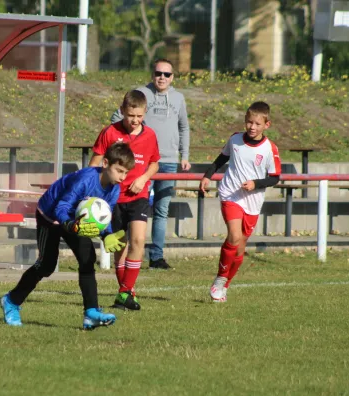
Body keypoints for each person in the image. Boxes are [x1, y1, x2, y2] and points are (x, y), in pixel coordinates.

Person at [0, 142, 135, 329]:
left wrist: (107, 235)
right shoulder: (85, 180)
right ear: (105, 163)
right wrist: (71, 225)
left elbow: (104, 216)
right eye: (119, 171)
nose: (122, 177)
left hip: (74, 220)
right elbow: (61, 207)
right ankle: (11, 301)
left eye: (126, 173)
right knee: (46, 265)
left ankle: (91, 313)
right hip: (50, 215)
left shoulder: (114, 189)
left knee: (87, 258)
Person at [111, 58, 190, 270]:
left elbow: (184, 127)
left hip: (168, 161)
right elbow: (116, 119)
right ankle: (124, 254)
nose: (162, 77)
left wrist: (184, 154)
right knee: (132, 207)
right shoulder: (141, 93)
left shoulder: (179, 98)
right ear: (152, 74)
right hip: (142, 163)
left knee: (162, 210)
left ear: (172, 77)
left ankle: (156, 256)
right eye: (158, 73)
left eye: (166, 74)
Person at [199, 101, 281, 302]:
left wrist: (256, 183)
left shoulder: (270, 149)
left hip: (252, 200)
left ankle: (225, 285)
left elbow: (275, 177)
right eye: (249, 122)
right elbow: (221, 159)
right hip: (230, 194)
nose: (252, 127)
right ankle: (219, 279)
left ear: (266, 125)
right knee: (234, 237)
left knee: (240, 247)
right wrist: (207, 176)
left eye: (257, 124)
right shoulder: (235, 139)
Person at [90, 90, 160, 311]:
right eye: (131, 115)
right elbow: (95, 162)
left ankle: (124, 292)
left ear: (145, 112)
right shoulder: (110, 132)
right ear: (122, 111)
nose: (135, 120)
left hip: (138, 196)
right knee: (120, 247)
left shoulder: (150, 135)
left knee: (138, 240)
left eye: (139, 116)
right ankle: (127, 294)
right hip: (113, 198)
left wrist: (143, 178)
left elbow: (154, 163)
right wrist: (93, 189)